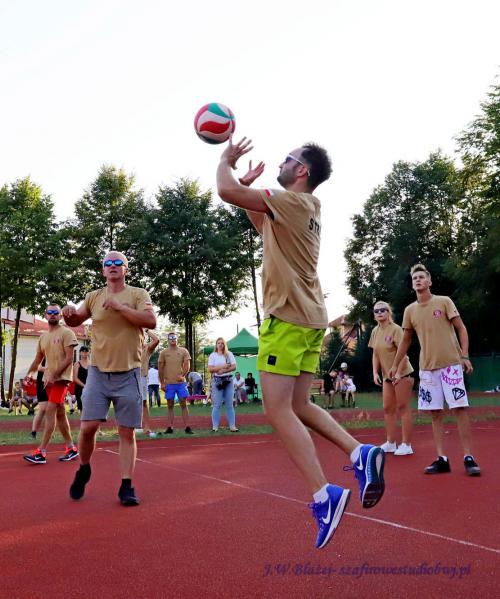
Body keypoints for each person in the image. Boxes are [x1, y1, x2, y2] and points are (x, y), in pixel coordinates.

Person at [217, 136, 385, 549]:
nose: (281, 162)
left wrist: (226, 160)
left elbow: (224, 190)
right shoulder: (302, 208)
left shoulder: (291, 201)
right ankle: (359, 452)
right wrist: (246, 190)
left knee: (276, 410)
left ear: (301, 171)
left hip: (287, 320)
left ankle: (324, 494)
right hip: (309, 319)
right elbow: (261, 222)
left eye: (288, 159)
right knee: (299, 405)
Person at [63, 251, 156, 506]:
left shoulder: (138, 294)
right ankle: (84, 468)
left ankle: (126, 485)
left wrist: (121, 307)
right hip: (98, 372)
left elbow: (150, 321)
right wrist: (68, 313)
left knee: (126, 431)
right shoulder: (94, 296)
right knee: (88, 427)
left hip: (129, 372)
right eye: (108, 263)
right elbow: (75, 319)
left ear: (126, 269)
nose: (113, 266)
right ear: (103, 270)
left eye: (118, 263)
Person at [389, 264, 480, 476]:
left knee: (459, 408)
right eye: (415, 278)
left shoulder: (444, 301)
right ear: (412, 284)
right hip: (427, 369)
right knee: (435, 413)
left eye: (421, 277)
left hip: (451, 366)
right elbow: (405, 341)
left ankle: (468, 457)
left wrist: (465, 355)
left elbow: (461, 328)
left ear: (429, 281)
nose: (418, 280)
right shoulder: (410, 310)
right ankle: (442, 459)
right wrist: (395, 365)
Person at [23, 304, 80, 464]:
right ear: (45, 315)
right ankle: (71, 448)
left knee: (50, 411)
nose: (53, 314)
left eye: (56, 312)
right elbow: (38, 359)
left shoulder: (67, 333)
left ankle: (41, 452)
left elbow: (69, 358)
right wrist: (29, 373)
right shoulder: (43, 337)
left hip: (61, 379)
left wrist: (54, 375)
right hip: (48, 380)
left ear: (60, 316)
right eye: (50, 312)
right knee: (60, 413)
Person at [158, 333, 193, 434]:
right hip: (169, 383)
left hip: (181, 383)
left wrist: (183, 375)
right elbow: (160, 368)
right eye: (170, 338)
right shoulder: (163, 352)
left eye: (174, 337)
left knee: (183, 403)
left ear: (177, 339)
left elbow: (187, 364)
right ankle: (170, 427)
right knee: (170, 404)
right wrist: (162, 383)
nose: (172, 339)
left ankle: (187, 427)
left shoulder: (183, 351)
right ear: (168, 340)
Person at [209, 337, 239, 432]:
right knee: (216, 405)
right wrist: (223, 366)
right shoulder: (213, 355)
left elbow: (234, 367)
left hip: (228, 380)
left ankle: (232, 426)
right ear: (216, 345)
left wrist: (224, 371)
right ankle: (215, 427)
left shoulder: (229, 354)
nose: (220, 345)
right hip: (217, 381)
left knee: (229, 404)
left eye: (222, 343)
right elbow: (210, 369)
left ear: (224, 344)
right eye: (218, 343)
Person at [138, 330, 160, 435]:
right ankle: (127, 428)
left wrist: (146, 330)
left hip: (141, 377)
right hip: (128, 377)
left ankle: (146, 427)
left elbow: (156, 340)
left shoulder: (147, 348)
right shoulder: (129, 347)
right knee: (126, 402)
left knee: (143, 402)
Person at [73, 347, 90, 413]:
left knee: (91, 409)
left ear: (89, 353)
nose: (84, 353)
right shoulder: (77, 364)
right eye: (82, 351)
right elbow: (75, 378)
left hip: (90, 389)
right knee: (83, 410)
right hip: (80, 389)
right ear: (80, 353)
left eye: (86, 351)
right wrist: (85, 386)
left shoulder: (92, 364)